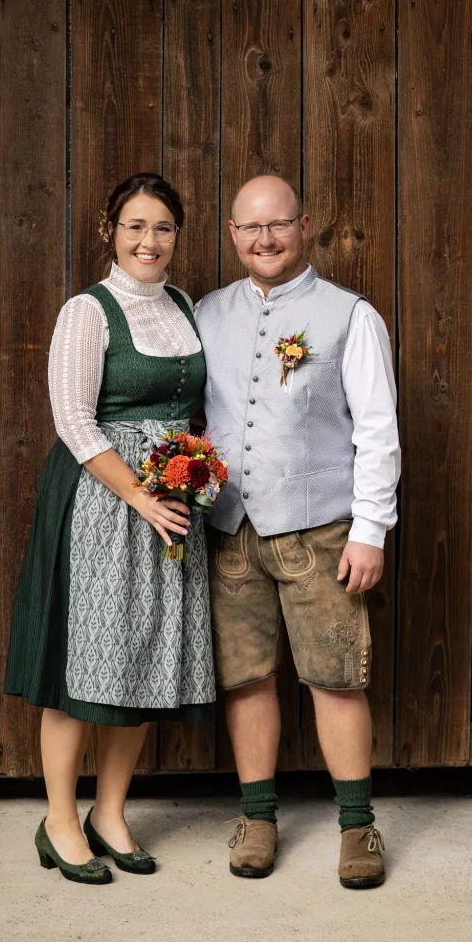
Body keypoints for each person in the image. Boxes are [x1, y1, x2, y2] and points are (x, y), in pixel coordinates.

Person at [5, 173, 215, 885]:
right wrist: (140, 496)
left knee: (144, 653)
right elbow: (72, 419)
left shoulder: (184, 306)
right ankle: (60, 821)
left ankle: (111, 812)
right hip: (102, 499)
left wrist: (189, 475)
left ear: (177, 235)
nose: (149, 241)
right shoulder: (87, 312)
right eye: (135, 226)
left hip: (169, 497)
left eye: (163, 227)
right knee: (79, 664)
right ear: (110, 231)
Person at [194, 175, 400, 889]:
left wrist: (371, 529)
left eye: (278, 224)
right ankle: (257, 819)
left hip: (321, 534)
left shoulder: (350, 315)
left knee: (336, 679)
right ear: (232, 233)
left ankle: (357, 826)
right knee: (246, 679)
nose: (266, 239)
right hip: (230, 530)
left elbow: (378, 430)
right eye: (251, 227)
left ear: (304, 225)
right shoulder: (207, 312)